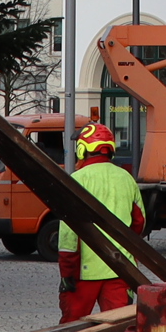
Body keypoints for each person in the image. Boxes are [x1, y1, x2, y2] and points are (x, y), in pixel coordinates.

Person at [57, 119, 146, 321]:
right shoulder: (126, 178)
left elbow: (68, 235)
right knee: (120, 329)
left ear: (82, 149)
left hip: (84, 272)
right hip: (120, 268)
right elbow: (139, 223)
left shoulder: (77, 180)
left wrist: (67, 272)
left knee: (72, 331)